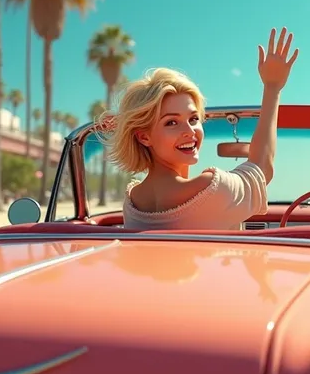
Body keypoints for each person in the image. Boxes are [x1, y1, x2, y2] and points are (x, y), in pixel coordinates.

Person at [105, 27, 298, 230]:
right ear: (144, 137)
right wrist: (272, 87)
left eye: (194, 118)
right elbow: (262, 168)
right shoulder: (212, 190)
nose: (189, 131)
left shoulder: (132, 202)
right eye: (171, 122)